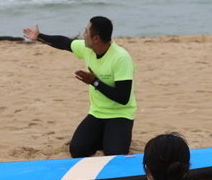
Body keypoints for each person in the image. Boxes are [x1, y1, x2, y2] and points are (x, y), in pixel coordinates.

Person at [22, 16, 137, 157]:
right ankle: (106, 138)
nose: (84, 34)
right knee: (77, 150)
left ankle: (112, 139)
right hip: (98, 113)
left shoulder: (121, 58)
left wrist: (95, 82)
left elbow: (123, 97)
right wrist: (39, 36)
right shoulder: (87, 49)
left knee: (114, 155)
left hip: (121, 114)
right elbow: (64, 42)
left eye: (86, 31)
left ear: (96, 39)